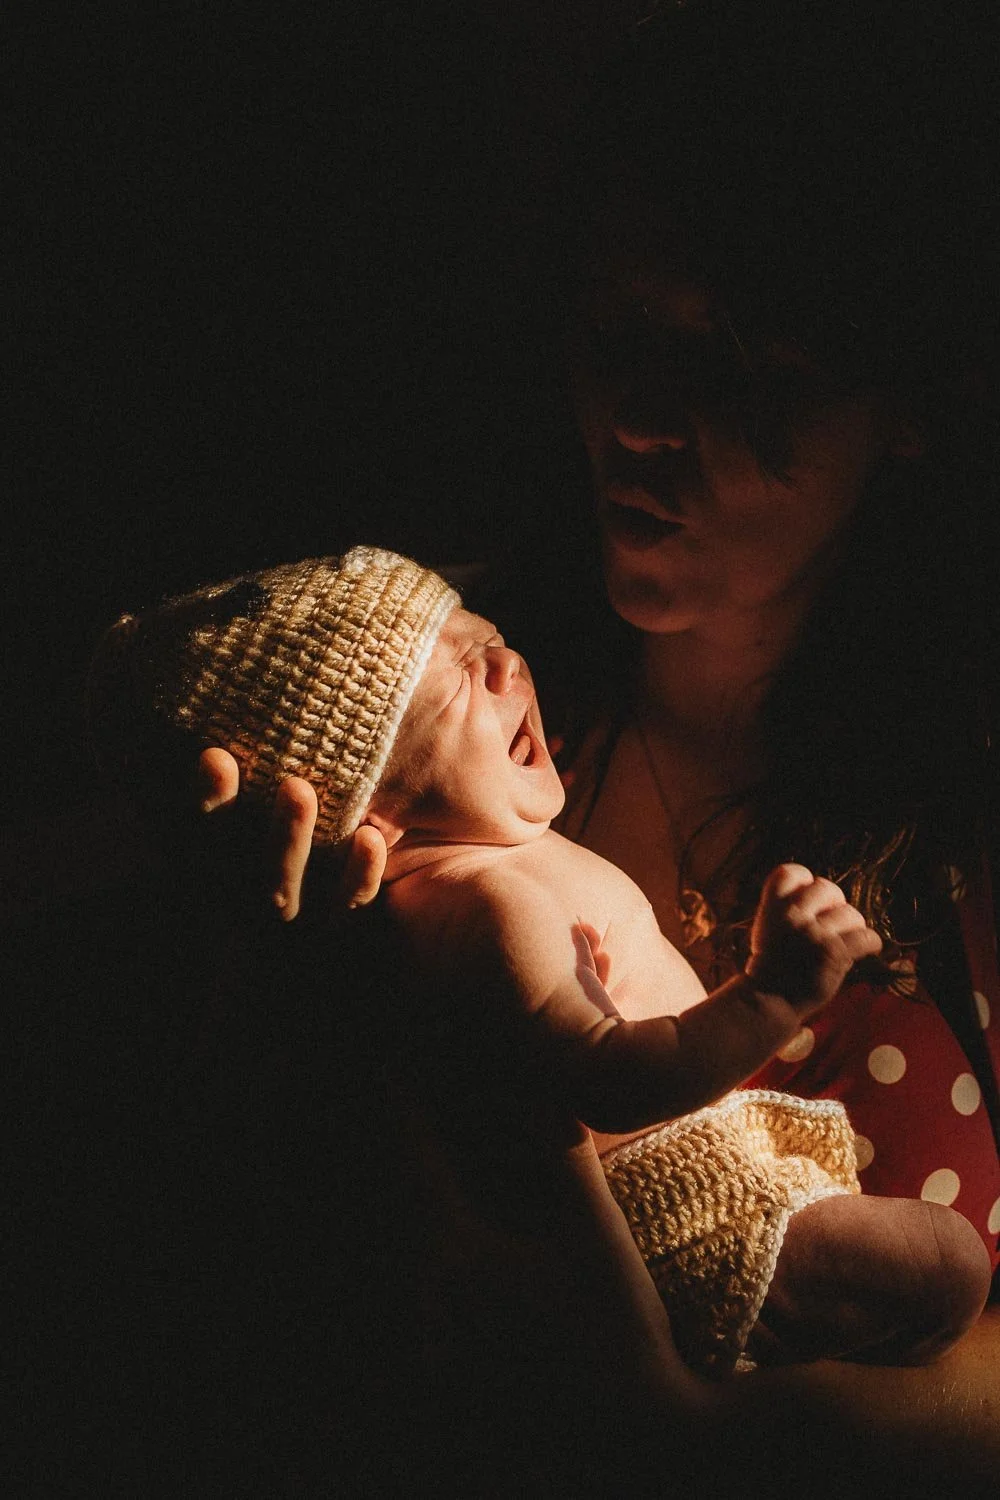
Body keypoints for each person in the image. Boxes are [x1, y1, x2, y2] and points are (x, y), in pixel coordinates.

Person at [190, 4, 1000, 1492]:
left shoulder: (960, 831)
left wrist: (696, 1437)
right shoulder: (452, 736)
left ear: (912, 410)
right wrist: (308, 989)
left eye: (741, 369)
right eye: (614, 337)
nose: (637, 422)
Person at [89, 545, 991, 1385]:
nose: (508, 667)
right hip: (693, 1227)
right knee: (945, 1266)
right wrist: (770, 995)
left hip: (713, 1198)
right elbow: (611, 1079)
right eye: (458, 686)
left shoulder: (492, 863)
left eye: (491, 641)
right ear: (372, 810)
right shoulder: (489, 903)